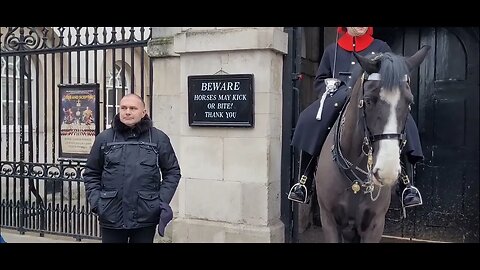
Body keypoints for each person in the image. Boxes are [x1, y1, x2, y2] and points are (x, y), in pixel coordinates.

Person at [288, 27, 424, 210]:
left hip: (372, 99)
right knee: (310, 118)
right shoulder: (332, 50)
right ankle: (304, 180)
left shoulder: (381, 46)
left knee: (406, 124)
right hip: (339, 96)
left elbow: (392, 75)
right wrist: (330, 86)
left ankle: (407, 185)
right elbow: (320, 80)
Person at [83, 93, 181, 243]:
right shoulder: (104, 139)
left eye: (133, 108)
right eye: (123, 108)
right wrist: (97, 203)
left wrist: (159, 202)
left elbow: (172, 172)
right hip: (111, 215)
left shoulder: (158, 139)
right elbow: (91, 173)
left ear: (143, 112)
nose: (127, 111)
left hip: (145, 216)